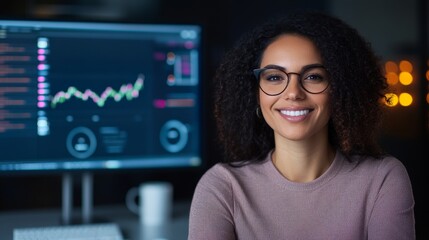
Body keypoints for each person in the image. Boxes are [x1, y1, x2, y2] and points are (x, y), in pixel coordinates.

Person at [188, 10, 415, 240]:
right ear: (255, 94)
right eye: (275, 77)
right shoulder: (222, 188)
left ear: (339, 89)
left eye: (313, 76)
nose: (293, 93)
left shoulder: (382, 179)